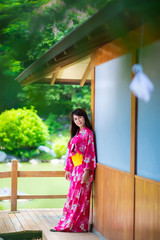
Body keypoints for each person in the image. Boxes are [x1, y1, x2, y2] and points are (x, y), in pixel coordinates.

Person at [50, 108, 96, 232]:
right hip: (76, 170)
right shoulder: (77, 134)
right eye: (75, 119)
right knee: (72, 198)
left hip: (83, 169)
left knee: (80, 198)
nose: (78, 121)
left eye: (80, 117)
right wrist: (68, 170)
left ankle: (75, 226)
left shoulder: (89, 134)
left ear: (84, 117)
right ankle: (68, 223)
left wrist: (87, 171)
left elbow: (90, 153)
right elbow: (71, 153)